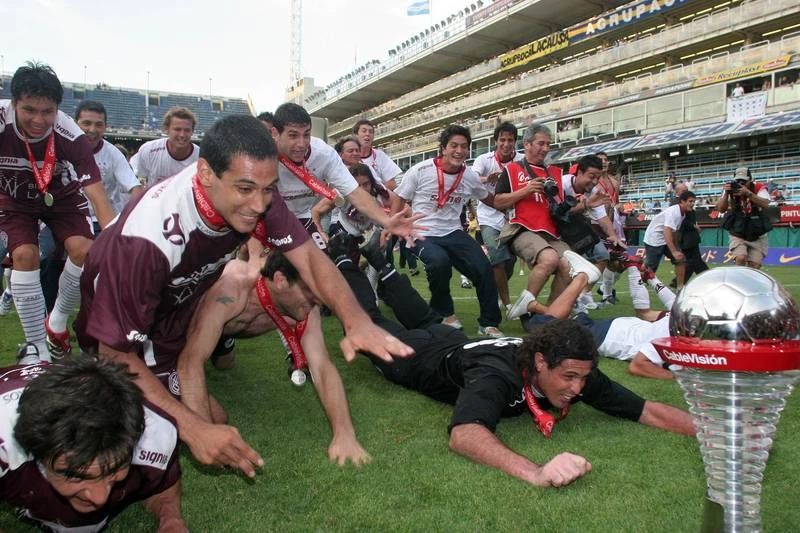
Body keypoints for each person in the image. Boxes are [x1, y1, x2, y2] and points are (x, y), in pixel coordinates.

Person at [73, 115, 414, 479]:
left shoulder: (258, 195)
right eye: (246, 189)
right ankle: (78, 390)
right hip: (125, 317)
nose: (258, 204)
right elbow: (116, 352)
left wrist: (356, 319)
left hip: (174, 310)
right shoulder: (145, 243)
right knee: (131, 441)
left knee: (211, 419)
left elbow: (311, 260)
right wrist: (195, 430)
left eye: (268, 189)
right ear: (205, 173)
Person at [330, 237, 694, 488]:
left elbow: (647, 410)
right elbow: (464, 434)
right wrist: (536, 472)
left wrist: (714, 431)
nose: (577, 389)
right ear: (539, 362)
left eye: (582, 379)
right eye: (569, 378)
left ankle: (379, 261)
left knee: (426, 318)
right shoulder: (497, 377)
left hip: (456, 342)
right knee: (371, 324)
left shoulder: (576, 369)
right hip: (417, 360)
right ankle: (345, 260)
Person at [176, 250, 371, 467]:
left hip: (224, 330)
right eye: (308, 293)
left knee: (224, 364)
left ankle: (223, 341)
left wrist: (344, 434)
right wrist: (203, 435)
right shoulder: (233, 287)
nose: (316, 302)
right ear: (280, 280)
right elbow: (190, 362)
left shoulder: (306, 309)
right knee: (215, 419)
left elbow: (322, 367)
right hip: (184, 332)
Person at [0, 62, 116, 360]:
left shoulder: (70, 133)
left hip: (60, 197)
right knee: (24, 255)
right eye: (29, 110)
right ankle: (37, 347)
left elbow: (96, 193)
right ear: (13, 104)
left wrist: (117, 243)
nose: (39, 120)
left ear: (57, 109)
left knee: (85, 251)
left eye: (47, 112)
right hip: (13, 198)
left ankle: (58, 318)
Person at [0, 355, 185, 532]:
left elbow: (164, 485)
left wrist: (171, 520)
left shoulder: (155, 433)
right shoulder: (5, 441)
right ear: (37, 451)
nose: (99, 498)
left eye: (114, 470)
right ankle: (30, 360)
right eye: (77, 476)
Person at [391, 124, 504, 337]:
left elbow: (490, 199)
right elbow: (399, 196)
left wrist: (513, 204)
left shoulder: (469, 176)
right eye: (454, 145)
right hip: (422, 231)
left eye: (464, 146)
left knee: (484, 268)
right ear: (443, 148)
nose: (459, 151)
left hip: (453, 232)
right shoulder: (420, 170)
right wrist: (393, 225)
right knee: (439, 262)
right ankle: (445, 314)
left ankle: (489, 323)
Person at [271, 103, 421, 250]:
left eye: (307, 135)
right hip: (269, 218)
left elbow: (354, 192)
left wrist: (387, 222)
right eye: (293, 135)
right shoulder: (261, 154)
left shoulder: (324, 154)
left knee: (323, 268)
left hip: (303, 216)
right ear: (275, 134)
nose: (302, 144)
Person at [518, 251, 678, 381]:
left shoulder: (683, 318)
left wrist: (644, 274)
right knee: (546, 331)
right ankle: (579, 279)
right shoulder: (675, 334)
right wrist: (676, 377)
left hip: (623, 327)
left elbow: (647, 312)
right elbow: (638, 365)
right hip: (610, 336)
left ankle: (553, 306)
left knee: (558, 325)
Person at [492, 124, 575, 319]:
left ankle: (548, 316)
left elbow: (559, 206)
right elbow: (497, 202)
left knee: (571, 265)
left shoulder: (555, 173)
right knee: (550, 259)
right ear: (527, 144)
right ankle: (526, 305)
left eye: (548, 144)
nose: (546, 148)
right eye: (541, 143)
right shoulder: (512, 170)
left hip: (551, 232)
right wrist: (525, 191)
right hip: (522, 229)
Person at [470, 122, 522, 313]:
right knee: (497, 257)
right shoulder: (484, 160)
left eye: (510, 140)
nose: (506, 144)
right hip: (488, 216)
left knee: (509, 262)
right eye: (502, 140)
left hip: (513, 218)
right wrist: (487, 179)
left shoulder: (521, 160)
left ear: (515, 142)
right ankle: (507, 303)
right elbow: (472, 179)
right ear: (496, 141)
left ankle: (494, 289)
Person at [74, 100, 144, 233]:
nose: (92, 130)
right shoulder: (63, 148)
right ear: (75, 124)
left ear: (105, 127)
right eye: (87, 123)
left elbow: (135, 188)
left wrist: (136, 217)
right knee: (48, 252)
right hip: (71, 217)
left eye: (99, 125)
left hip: (106, 220)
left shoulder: (113, 154)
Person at [716, 166, 772, 269]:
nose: (740, 183)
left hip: (757, 232)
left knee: (754, 266)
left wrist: (748, 193)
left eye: (744, 181)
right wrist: (726, 194)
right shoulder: (730, 188)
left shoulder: (758, 187)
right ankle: (739, 279)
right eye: (738, 181)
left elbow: (766, 204)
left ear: (750, 180)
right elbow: (721, 209)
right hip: (738, 231)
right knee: (741, 257)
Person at [132, 106, 199, 185]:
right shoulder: (148, 150)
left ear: (192, 132)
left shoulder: (201, 157)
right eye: (177, 129)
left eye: (187, 130)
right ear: (166, 129)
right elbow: (142, 180)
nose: (182, 135)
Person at [642, 190, 696, 288]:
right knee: (650, 268)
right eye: (690, 201)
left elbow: (674, 232)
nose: (692, 204)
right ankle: (639, 283)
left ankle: (680, 287)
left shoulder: (682, 214)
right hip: (654, 239)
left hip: (664, 239)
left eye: (693, 202)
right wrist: (674, 252)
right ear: (682, 202)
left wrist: (677, 248)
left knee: (681, 259)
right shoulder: (674, 212)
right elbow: (667, 231)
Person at [353, 119, 402, 189]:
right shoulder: (350, 157)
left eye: (370, 132)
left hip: (378, 197)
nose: (367, 134)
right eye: (364, 131)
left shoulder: (380, 155)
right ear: (356, 135)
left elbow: (392, 184)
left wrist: (374, 194)